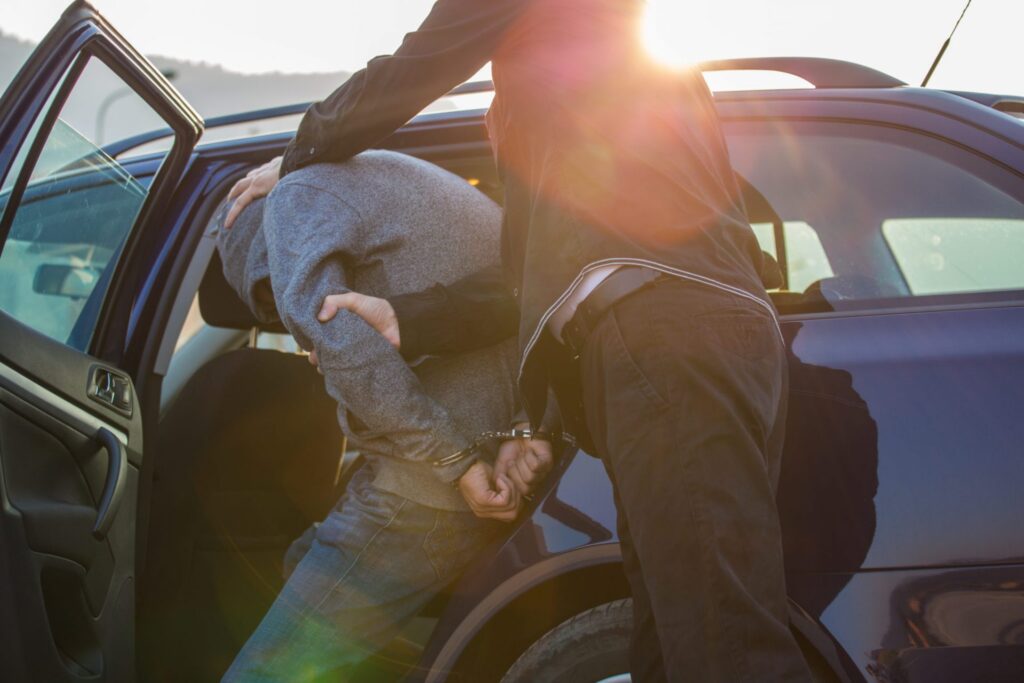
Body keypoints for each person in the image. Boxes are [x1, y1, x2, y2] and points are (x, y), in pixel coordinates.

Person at [225, 1, 813, 680]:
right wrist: (411, 321)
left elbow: (412, 69)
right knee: (671, 640)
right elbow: (526, 287)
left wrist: (298, 157)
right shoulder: (629, 76)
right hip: (717, 339)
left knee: (725, 652)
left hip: (665, 345)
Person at [215, 150, 553, 681]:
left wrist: (455, 461)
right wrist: (521, 425)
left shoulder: (290, 203)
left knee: (264, 673)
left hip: (427, 493)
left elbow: (341, 342)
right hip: (491, 457)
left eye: (271, 300)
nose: (293, 331)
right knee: (296, 566)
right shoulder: (393, 177)